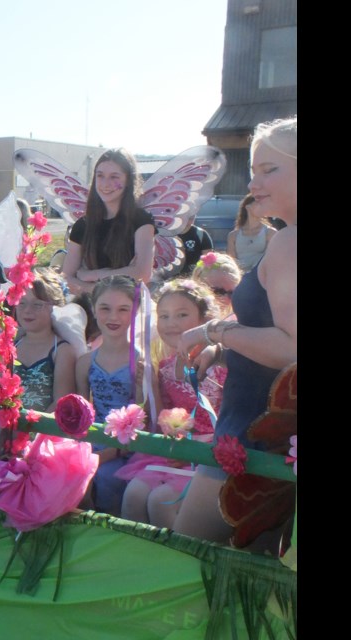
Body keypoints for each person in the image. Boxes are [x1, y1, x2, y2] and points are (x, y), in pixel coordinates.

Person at [174, 116, 297, 543]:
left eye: (270, 170)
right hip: (270, 436)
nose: (254, 183)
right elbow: (270, 328)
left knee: (188, 554)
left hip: (252, 435)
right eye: (253, 171)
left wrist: (214, 334)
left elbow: (289, 349)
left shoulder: (288, 242)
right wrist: (224, 350)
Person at [118, 279, 226, 526]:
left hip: (208, 455)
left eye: (182, 314)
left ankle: (174, 560)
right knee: (133, 494)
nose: (171, 323)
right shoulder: (166, 368)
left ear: (203, 320)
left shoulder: (220, 367)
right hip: (174, 451)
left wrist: (195, 451)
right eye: (163, 316)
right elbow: (160, 418)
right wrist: (148, 385)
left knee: (160, 501)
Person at [74, 275, 147, 516]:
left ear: (135, 311)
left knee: (105, 476)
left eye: (123, 309)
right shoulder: (85, 363)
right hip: (93, 440)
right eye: (105, 308)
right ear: (94, 309)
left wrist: (105, 455)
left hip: (126, 449)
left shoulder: (140, 364)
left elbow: (142, 423)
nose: (113, 317)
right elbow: (81, 420)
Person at [61, 148, 155, 295]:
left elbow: (142, 273)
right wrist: (97, 288)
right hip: (91, 310)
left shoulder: (142, 220)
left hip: (129, 309)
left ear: (128, 181)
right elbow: (65, 278)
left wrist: (93, 275)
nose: (105, 184)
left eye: (114, 177)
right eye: (100, 176)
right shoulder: (83, 225)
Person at [13, 268, 77, 413]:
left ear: (53, 308)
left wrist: (30, 435)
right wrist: (1, 433)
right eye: (22, 303)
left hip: (44, 431)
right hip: (6, 430)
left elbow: (60, 403)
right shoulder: (10, 346)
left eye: (37, 304)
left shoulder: (62, 351)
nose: (28, 310)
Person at [227, 194, 277, 272]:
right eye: (258, 204)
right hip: (240, 276)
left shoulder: (270, 233)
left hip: (259, 276)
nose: (262, 207)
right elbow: (231, 262)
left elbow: (269, 259)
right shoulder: (233, 235)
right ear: (248, 207)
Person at [191, 251, 241, 317]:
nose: (225, 299)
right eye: (218, 292)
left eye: (232, 293)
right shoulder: (186, 322)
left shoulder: (243, 322)